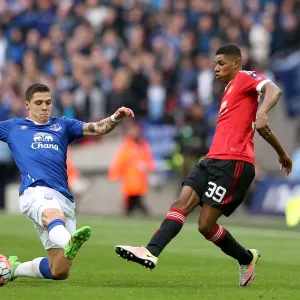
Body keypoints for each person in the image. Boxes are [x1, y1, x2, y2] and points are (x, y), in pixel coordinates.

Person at [114, 44, 293, 287]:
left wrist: (263, 111)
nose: (216, 68)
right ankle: (151, 251)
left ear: (236, 64)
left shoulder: (244, 78)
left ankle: (246, 258)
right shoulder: (230, 89)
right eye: (215, 63)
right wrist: (281, 152)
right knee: (180, 203)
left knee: (205, 225)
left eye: (221, 63)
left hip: (234, 163)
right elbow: (260, 128)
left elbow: (274, 90)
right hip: (211, 160)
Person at [0, 83, 134, 282]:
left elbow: (97, 128)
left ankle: (14, 269)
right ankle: (69, 240)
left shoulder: (63, 125)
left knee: (59, 271)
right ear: (27, 105)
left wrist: (115, 117)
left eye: (48, 102)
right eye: (39, 103)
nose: (45, 107)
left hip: (63, 196)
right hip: (34, 191)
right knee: (53, 214)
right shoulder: (13, 127)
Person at [108, 121, 155, 216]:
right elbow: (119, 161)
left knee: (136, 201)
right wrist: (114, 174)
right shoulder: (126, 146)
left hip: (140, 179)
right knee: (133, 201)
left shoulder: (143, 146)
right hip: (130, 179)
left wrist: (147, 167)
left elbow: (149, 161)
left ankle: (131, 212)